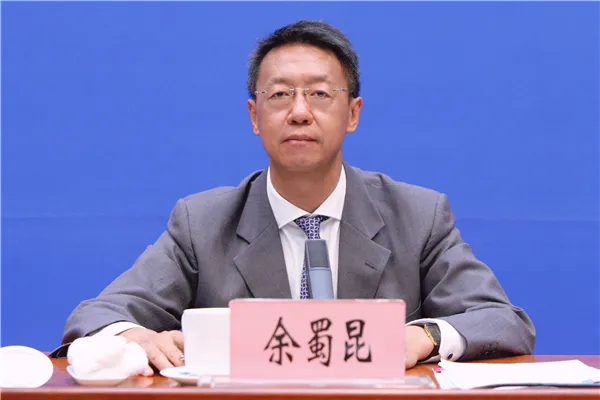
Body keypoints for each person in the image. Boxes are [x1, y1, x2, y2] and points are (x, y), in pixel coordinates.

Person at [53, 20, 535, 375]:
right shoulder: (203, 223)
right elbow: (96, 315)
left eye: (320, 94)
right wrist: (130, 336)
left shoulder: (418, 215)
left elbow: (502, 321)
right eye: (280, 95)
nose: (299, 112)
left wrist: (422, 336)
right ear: (254, 116)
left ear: (353, 113)